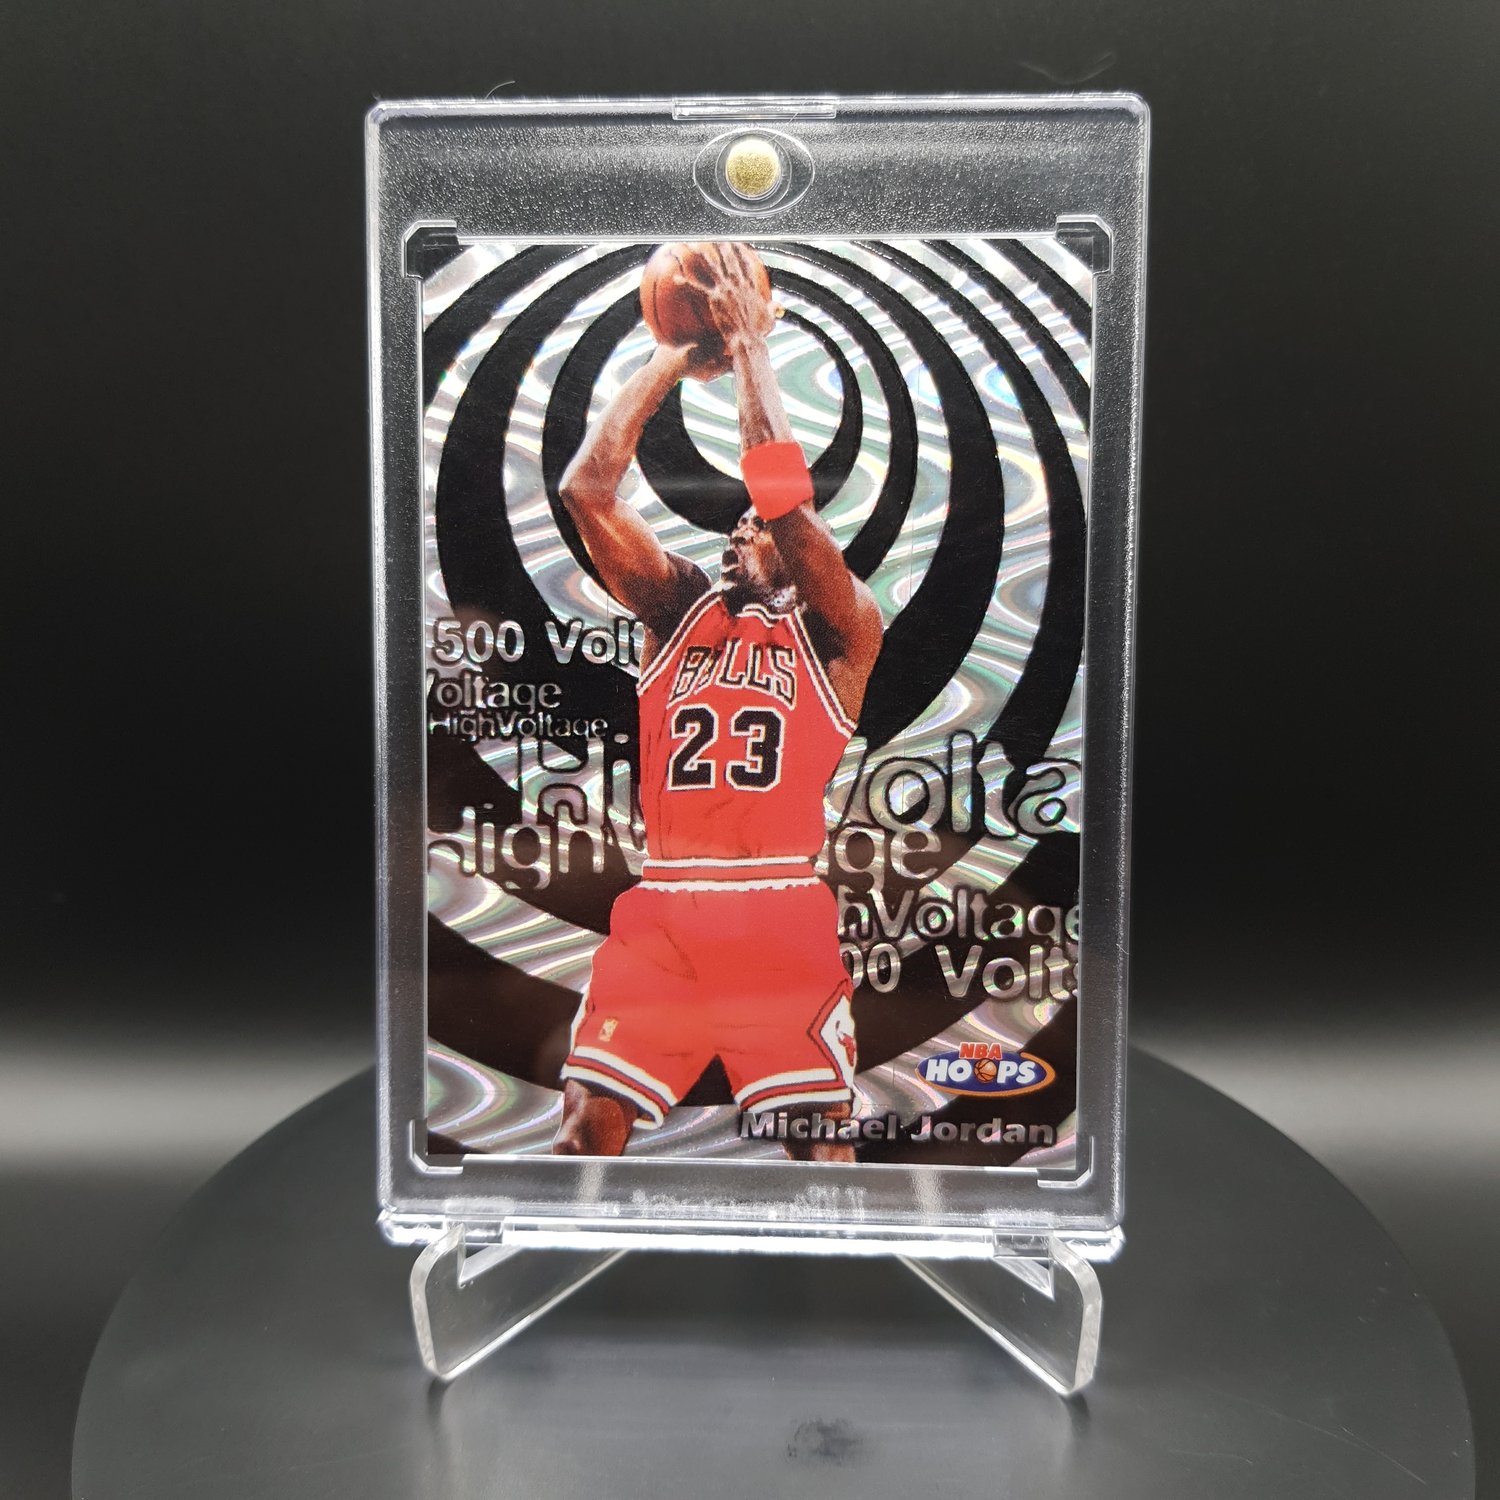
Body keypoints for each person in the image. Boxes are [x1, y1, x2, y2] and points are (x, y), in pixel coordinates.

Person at [552, 243, 884, 1161]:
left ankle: (842, 1254)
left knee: (818, 1145)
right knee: (585, 1130)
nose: (738, 531)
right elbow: (586, 490)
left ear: (802, 555)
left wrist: (748, 347)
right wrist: (672, 353)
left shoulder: (840, 631)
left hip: (775, 906)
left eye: (753, 528)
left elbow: (783, 505)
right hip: (665, 906)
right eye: (732, 526)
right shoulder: (680, 611)